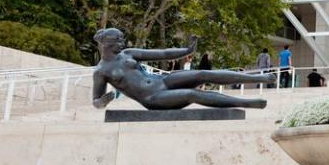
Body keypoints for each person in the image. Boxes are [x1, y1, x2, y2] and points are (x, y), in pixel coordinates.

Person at [91, 28, 276, 110]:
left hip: (161, 82)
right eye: (119, 41)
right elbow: (96, 101)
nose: (123, 43)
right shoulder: (101, 71)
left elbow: (163, 54)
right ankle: (245, 103)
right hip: (152, 98)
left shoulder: (128, 53)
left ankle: (260, 78)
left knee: (202, 74)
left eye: (123, 40)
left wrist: (187, 50)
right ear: (106, 44)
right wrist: (103, 101)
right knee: (191, 94)